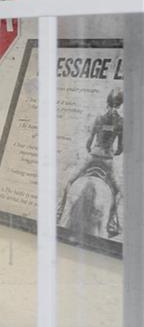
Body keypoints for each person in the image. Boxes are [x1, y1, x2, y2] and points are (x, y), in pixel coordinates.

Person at [57, 89, 124, 239]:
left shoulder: (99, 117)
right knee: (119, 192)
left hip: (92, 157)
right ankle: (113, 224)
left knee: (69, 181)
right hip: (108, 161)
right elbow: (121, 148)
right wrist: (113, 151)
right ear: (120, 105)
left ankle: (60, 211)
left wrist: (91, 149)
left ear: (107, 102)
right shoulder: (121, 122)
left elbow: (89, 141)